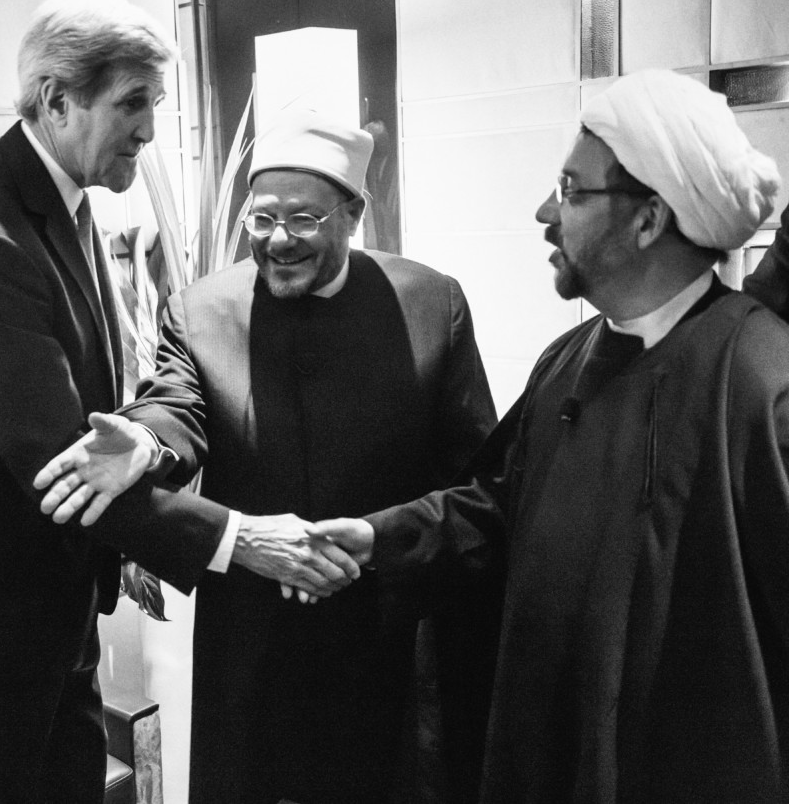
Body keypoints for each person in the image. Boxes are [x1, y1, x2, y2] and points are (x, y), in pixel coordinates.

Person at [0, 0, 361, 804]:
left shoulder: (61, 202)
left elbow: (104, 434)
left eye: (156, 103)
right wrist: (246, 540)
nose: (149, 129)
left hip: (52, 605)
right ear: (56, 100)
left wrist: (140, 455)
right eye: (132, 102)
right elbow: (65, 467)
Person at [316, 68, 789, 802]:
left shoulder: (761, 380)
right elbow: (498, 511)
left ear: (649, 219)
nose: (544, 211)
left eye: (570, 190)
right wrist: (378, 537)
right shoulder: (567, 360)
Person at [36, 108, 497, 803]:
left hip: (387, 636)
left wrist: (385, 540)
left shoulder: (431, 303)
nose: (278, 239)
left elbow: (477, 481)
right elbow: (175, 407)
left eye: (304, 219)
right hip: (252, 643)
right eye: (262, 217)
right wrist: (144, 440)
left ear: (353, 214)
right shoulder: (202, 309)